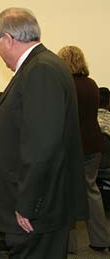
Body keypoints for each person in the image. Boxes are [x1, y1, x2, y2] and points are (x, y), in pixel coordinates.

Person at [0, 7, 87, 258]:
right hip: (44, 203)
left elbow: (43, 146)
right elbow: (30, 131)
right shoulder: (43, 65)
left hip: (37, 210)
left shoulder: (40, 70)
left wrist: (27, 204)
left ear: (8, 39)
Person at [58, 46, 110, 252]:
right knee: (91, 191)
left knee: (66, 193)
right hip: (94, 144)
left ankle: (69, 246)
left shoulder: (64, 84)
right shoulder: (91, 84)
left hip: (71, 146)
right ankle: (100, 240)